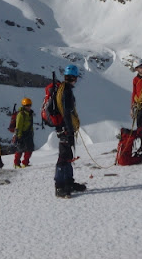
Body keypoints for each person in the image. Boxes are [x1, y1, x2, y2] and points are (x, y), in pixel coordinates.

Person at [54, 64, 87, 198]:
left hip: (63, 127)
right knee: (63, 157)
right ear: (73, 77)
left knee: (67, 156)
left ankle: (68, 182)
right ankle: (59, 187)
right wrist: (69, 130)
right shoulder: (66, 91)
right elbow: (67, 112)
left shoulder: (62, 89)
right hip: (64, 128)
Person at [13, 97, 35, 168]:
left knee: (29, 148)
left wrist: (31, 132)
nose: (28, 107)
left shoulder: (30, 113)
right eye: (27, 105)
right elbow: (18, 126)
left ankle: (25, 163)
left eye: (29, 105)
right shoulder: (21, 114)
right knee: (20, 149)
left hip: (28, 133)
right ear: (23, 106)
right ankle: (16, 164)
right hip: (22, 134)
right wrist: (19, 135)